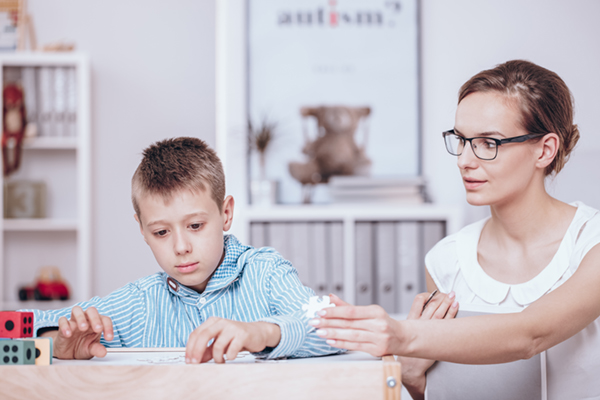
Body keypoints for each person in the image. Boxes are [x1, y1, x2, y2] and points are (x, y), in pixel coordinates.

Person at [310, 60, 600, 399]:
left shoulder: (590, 244)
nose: (464, 160)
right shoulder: (446, 261)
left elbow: (530, 336)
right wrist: (413, 377)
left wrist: (402, 335)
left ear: (545, 150)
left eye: (488, 143)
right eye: (461, 140)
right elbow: (448, 389)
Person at [26, 137, 340, 363]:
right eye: (161, 232)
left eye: (195, 226)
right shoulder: (139, 304)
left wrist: (263, 333)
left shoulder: (266, 273)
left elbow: (333, 331)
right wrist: (52, 345)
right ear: (142, 230)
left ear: (226, 213)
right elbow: (12, 330)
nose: (180, 247)